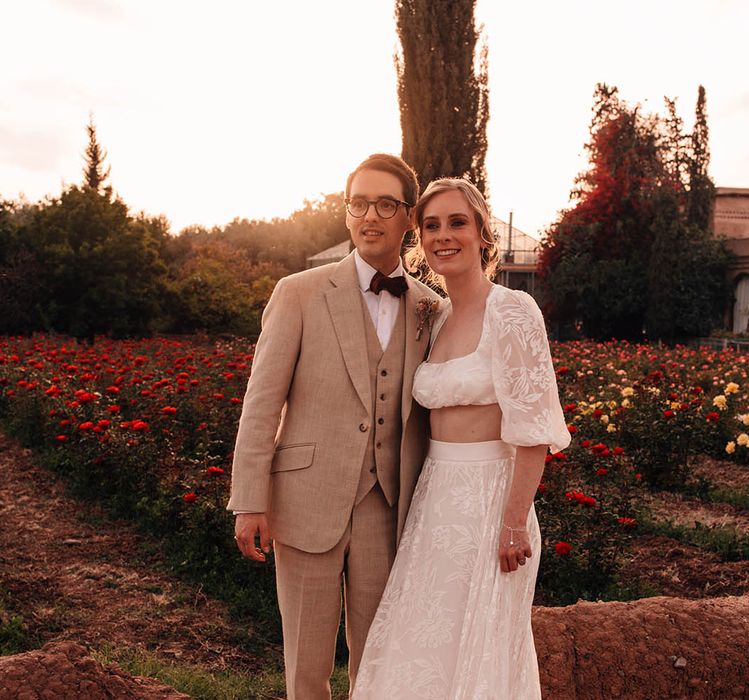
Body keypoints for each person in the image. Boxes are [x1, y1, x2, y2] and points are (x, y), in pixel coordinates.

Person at [227, 153, 441, 699]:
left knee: (378, 663)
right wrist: (250, 500)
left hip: (386, 507)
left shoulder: (430, 308)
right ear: (347, 213)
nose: (370, 216)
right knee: (306, 665)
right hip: (305, 500)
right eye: (358, 203)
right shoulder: (298, 292)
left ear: (409, 217)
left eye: (386, 204)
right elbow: (261, 402)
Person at [352, 178, 572, 699]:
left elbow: (534, 431)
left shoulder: (513, 310)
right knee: (421, 645)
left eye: (457, 223)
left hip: (494, 504)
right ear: (419, 238)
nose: (442, 235)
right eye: (430, 225)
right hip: (434, 503)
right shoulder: (437, 316)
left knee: (483, 650)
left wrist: (514, 524)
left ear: (483, 235)